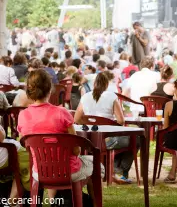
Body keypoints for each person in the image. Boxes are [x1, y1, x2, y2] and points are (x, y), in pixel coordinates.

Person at [17, 69, 102, 203]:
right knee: (97, 165)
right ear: (50, 89)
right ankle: (91, 202)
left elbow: (25, 145)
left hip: (40, 171)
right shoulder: (62, 113)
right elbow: (76, 150)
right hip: (68, 171)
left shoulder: (23, 116)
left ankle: (57, 201)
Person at [74, 73, 135, 183]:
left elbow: (77, 119)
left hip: (89, 141)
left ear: (94, 84)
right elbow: (121, 121)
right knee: (135, 140)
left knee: (121, 140)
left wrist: (90, 124)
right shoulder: (111, 96)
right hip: (108, 141)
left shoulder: (86, 96)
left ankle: (110, 170)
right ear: (107, 84)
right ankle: (117, 170)